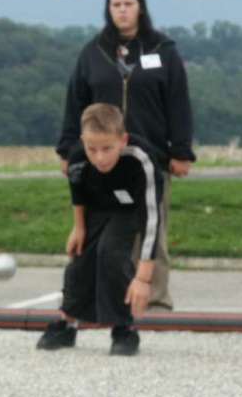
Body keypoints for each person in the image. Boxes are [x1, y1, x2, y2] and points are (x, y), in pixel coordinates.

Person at [55, 0, 195, 311]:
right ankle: (106, 302)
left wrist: (181, 150)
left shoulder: (163, 51)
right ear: (108, 10)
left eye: (128, 4)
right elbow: (75, 101)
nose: (122, 11)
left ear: (140, 8)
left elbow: (179, 102)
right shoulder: (93, 52)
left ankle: (156, 301)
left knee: (151, 230)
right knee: (103, 232)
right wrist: (68, 148)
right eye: (115, 5)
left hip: (150, 158)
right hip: (103, 159)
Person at [37, 103, 162, 355]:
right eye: (92, 149)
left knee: (111, 253)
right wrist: (79, 227)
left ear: (122, 139)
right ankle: (67, 323)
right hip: (97, 207)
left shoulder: (142, 159)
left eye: (108, 148)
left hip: (131, 209)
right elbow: (78, 194)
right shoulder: (78, 157)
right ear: (83, 141)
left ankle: (123, 328)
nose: (100, 157)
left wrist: (143, 278)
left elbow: (151, 218)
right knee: (80, 260)